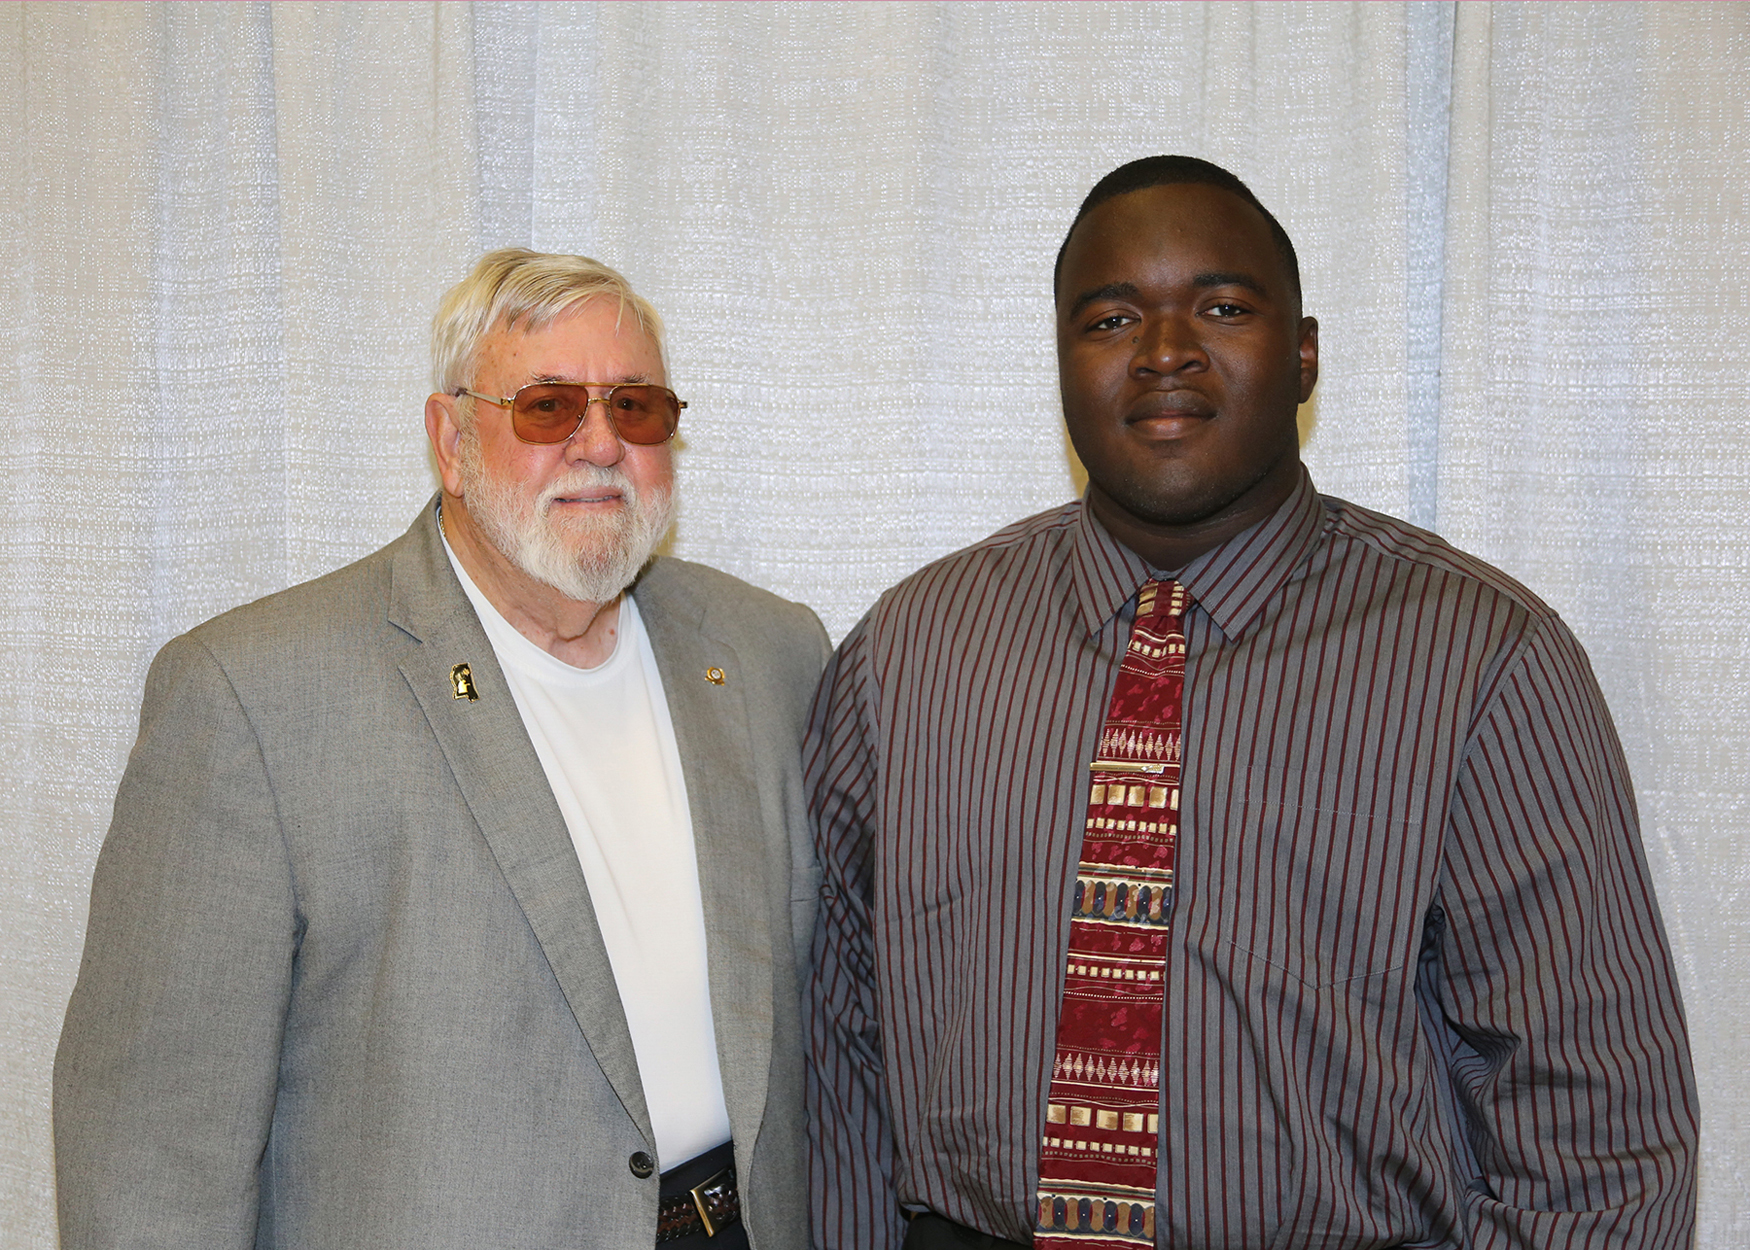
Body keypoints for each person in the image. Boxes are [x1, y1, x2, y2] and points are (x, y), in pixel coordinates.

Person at [805, 157, 1698, 1250]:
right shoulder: (907, 655)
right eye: (1111, 318)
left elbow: (1595, 1122)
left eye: (1222, 307)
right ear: (1061, 364)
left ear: (1304, 354)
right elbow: (835, 1060)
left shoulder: (1481, 660)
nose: (1164, 351)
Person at [55, 249, 830, 1250]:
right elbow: (153, 1161)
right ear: (451, 442)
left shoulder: (770, 654)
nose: (601, 444)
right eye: (548, 407)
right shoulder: (251, 697)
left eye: (635, 407)